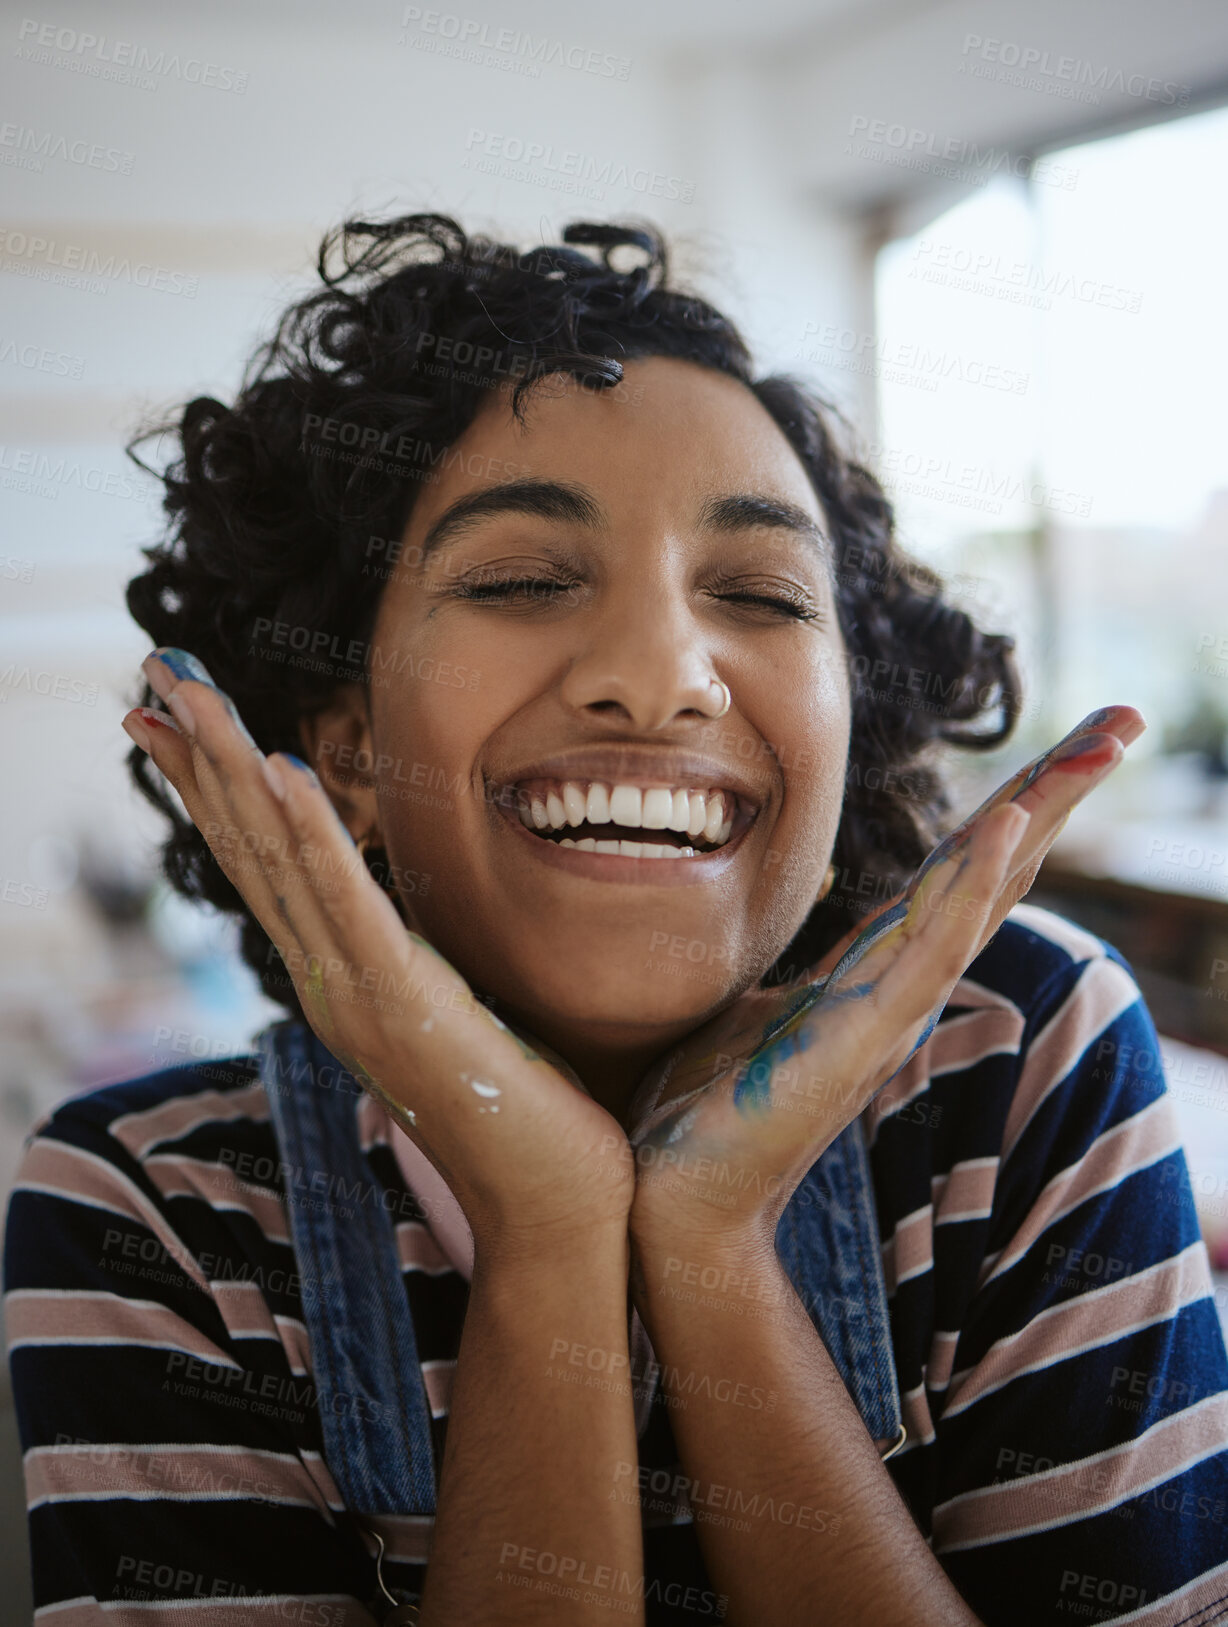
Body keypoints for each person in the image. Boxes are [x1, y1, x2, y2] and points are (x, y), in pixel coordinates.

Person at [6, 213, 1228, 1627]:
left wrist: (711, 1244)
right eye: (523, 581)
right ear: (346, 754)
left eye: (762, 594)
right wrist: (549, 1232)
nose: (662, 678)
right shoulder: (147, 1210)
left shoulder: (1018, 1054)